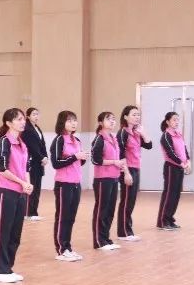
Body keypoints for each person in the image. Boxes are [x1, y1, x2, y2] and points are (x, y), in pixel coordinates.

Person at [0, 109, 31, 283]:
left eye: (23, 119)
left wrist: (27, 183)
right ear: (8, 123)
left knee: (15, 235)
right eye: (19, 119)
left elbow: (26, 167)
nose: (23, 122)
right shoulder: (4, 143)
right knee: (4, 233)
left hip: (20, 194)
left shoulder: (22, 144)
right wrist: (22, 182)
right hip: (6, 194)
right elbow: (2, 169)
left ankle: (8, 268)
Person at [49, 110, 87, 262]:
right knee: (62, 217)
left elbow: (78, 162)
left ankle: (67, 247)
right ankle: (61, 249)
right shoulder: (59, 140)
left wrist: (82, 157)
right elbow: (56, 163)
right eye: (70, 120)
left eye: (75, 120)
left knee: (71, 218)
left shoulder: (77, 140)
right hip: (63, 184)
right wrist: (75, 157)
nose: (73, 123)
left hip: (76, 183)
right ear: (62, 122)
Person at [116, 104, 153, 242]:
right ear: (126, 117)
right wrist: (126, 173)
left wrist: (143, 133)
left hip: (136, 168)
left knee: (131, 201)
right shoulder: (123, 133)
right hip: (127, 169)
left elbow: (149, 145)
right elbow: (120, 154)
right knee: (126, 201)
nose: (137, 117)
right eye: (134, 114)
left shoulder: (136, 132)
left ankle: (127, 230)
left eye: (138, 115)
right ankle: (123, 232)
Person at [90, 111, 126, 251]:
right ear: (100, 122)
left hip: (114, 178)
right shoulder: (99, 139)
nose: (112, 121)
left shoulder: (113, 138)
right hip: (102, 179)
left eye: (113, 119)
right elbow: (95, 160)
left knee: (110, 210)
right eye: (108, 119)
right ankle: (99, 241)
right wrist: (114, 162)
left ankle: (106, 239)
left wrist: (120, 165)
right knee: (102, 210)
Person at [157, 112, 190, 231]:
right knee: (169, 194)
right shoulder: (166, 135)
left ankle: (169, 219)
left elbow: (184, 149)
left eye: (177, 120)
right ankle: (162, 221)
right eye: (174, 120)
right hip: (171, 167)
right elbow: (170, 153)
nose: (176, 122)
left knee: (176, 194)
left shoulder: (178, 134)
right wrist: (182, 163)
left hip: (180, 167)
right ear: (167, 122)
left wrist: (188, 161)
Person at [22, 107, 48, 221]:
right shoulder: (27, 129)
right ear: (28, 116)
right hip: (32, 161)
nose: (36, 116)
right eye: (33, 114)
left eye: (37, 114)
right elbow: (32, 147)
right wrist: (41, 157)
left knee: (37, 187)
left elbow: (42, 145)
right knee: (31, 186)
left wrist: (45, 157)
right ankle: (28, 212)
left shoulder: (37, 128)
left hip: (39, 162)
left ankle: (34, 212)